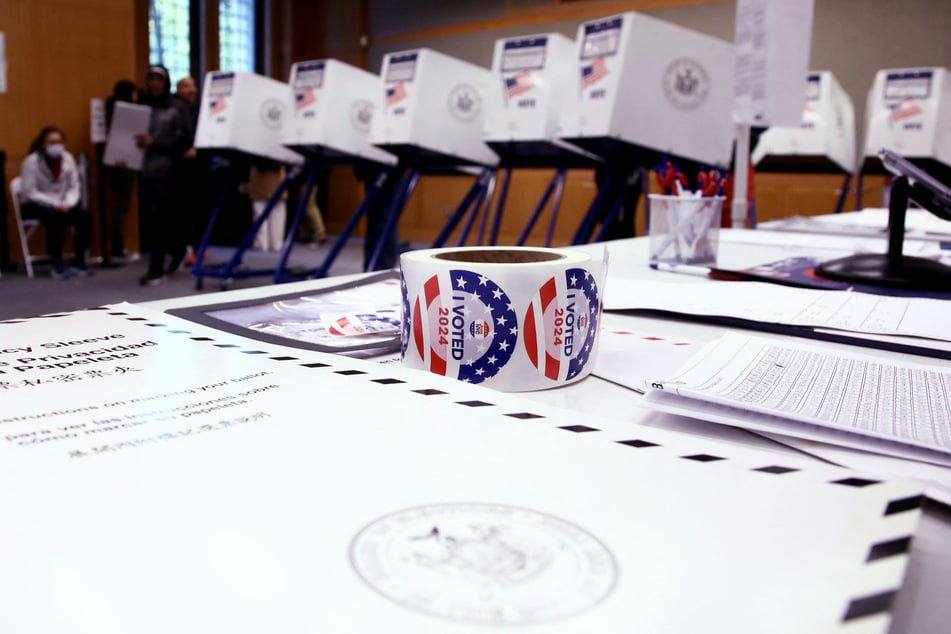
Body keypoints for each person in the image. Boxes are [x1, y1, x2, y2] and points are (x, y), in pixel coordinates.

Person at [136, 64, 194, 286]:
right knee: (151, 220)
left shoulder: (177, 107)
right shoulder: (142, 106)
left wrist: (156, 143)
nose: (154, 83)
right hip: (146, 170)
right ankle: (178, 250)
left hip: (170, 171)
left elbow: (185, 139)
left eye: (158, 79)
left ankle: (156, 268)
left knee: (160, 218)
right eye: (150, 79)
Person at [18, 126, 93, 279]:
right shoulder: (32, 161)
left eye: (59, 141)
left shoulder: (68, 158)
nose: (56, 145)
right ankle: (56, 263)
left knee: (83, 216)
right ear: (43, 143)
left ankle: (80, 261)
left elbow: (74, 186)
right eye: (51, 142)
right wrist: (54, 204)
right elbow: (29, 191)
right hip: (35, 204)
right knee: (54, 217)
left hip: (63, 203)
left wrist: (68, 203)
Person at [104, 79, 141, 263]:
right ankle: (117, 246)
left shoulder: (109, 108)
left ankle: (117, 246)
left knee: (118, 207)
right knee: (121, 207)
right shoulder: (126, 111)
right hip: (124, 162)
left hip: (112, 161)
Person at [247, 158, 288, 252]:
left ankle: (261, 244)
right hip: (278, 179)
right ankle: (276, 244)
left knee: (260, 214)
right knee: (278, 215)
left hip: (260, 179)